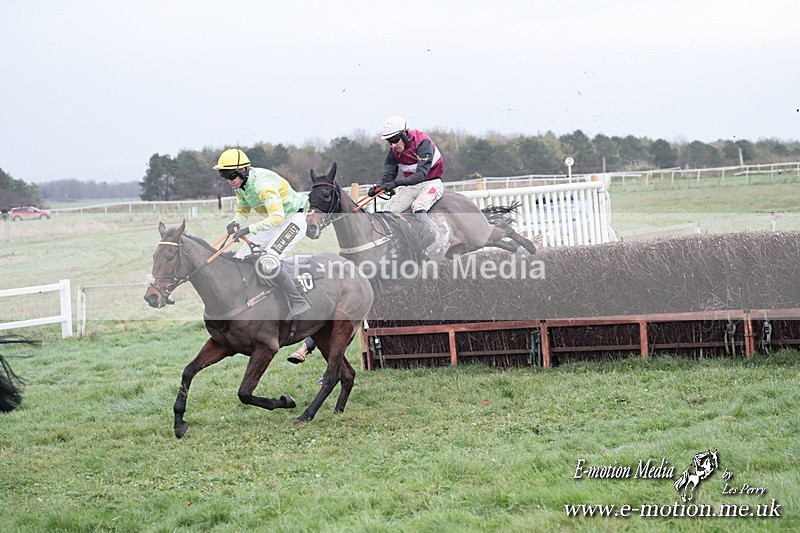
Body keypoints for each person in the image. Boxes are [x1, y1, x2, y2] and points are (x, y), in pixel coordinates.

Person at [214, 148, 311, 318]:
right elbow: (243, 209)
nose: (229, 181)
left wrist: (249, 229)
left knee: (269, 260)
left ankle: (298, 301)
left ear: (243, 170)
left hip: (292, 220)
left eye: (231, 176)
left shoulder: (263, 185)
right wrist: (236, 222)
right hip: (273, 222)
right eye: (225, 177)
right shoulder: (241, 185)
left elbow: (277, 217)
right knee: (240, 258)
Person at [367, 116, 444, 257]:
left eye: (395, 140)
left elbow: (421, 175)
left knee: (418, 206)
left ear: (405, 134)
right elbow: (388, 174)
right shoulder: (394, 151)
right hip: (412, 186)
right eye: (390, 141)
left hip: (431, 183)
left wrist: (396, 183)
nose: (393, 145)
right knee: (389, 209)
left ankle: (426, 243)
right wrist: (378, 187)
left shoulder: (423, 143)